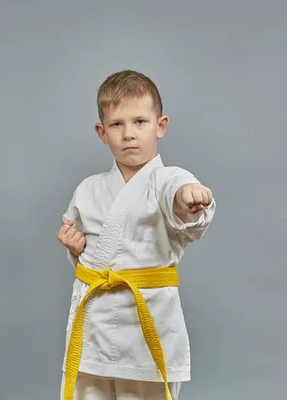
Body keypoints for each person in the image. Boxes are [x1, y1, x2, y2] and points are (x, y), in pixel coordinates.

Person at [57, 70, 216, 400]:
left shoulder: (170, 180)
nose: (129, 134)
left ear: (161, 126)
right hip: (95, 328)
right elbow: (86, 253)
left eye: (140, 122)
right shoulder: (88, 189)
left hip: (148, 326)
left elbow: (181, 203)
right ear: (102, 132)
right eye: (117, 125)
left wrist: (189, 199)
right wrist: (73, 247)